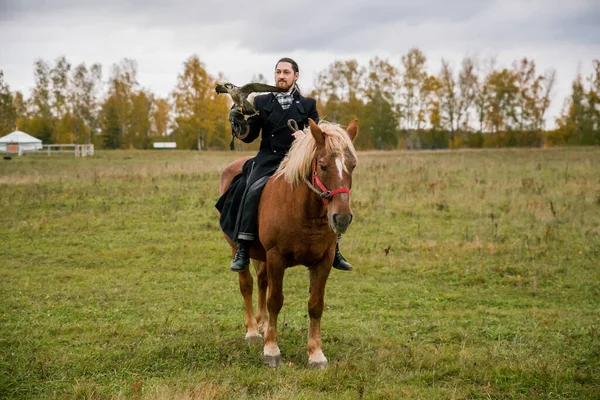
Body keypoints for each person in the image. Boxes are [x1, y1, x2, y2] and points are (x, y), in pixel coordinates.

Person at [215, 57, 352, 272]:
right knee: (251, 189)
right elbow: (250, 135)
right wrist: (240, 127)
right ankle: (243, 246)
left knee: (329, 189)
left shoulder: (308, 105)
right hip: (269, 158)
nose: (281, 76)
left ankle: (334, 248)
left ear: (295, 76)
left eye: (286, 72)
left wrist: (305, 136)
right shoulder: (260, 102)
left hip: (298, 162)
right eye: (278, 72)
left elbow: (320, 136)